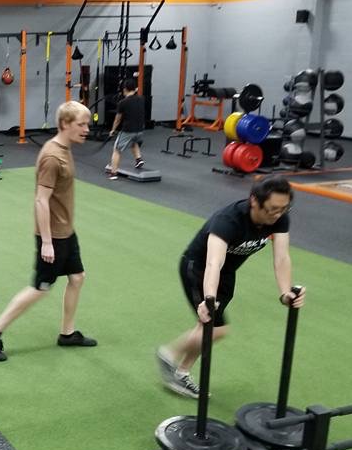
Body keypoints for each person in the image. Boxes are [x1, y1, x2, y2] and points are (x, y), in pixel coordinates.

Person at [156, 177, 306, 398]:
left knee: (206, 329)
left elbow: (282, 257)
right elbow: (213, 263)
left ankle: (182, 372)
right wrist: (208, 298)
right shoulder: (228, 220)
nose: (277, 214)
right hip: (198, 269)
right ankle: (168, 354)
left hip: (227, 273)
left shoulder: (279, 218)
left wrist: (285, 293)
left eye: (284, 209)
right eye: (272, 209)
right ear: (254, 201)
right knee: (217, 329)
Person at [0, 101, 98, 362]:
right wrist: (46, 242)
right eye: (81, 124)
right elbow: (41, 200)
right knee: (41, 288)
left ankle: (67, 333)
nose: (86, 129)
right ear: (65, 124)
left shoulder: (65, 149)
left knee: (77, 277)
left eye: (87, 124)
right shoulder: (52, 157)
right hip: (53, 236)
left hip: (66, 231)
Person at [106, 78, 146, 180]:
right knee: (133, 142)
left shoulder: (123, 102)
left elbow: (117, 119)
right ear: (135, 88)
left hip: (128, 130)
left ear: (124, 89)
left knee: (117, 150)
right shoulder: (141, 99)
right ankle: (139, 159)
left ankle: (113, 173)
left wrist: (112, 130)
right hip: (140, 130)